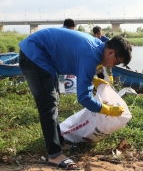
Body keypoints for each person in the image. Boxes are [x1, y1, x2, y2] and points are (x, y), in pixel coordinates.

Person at [18, 27, 132, 170]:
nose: (111, 66)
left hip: (43, 55)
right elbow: (83, 98)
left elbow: (78, 63)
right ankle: (54, 154)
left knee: (53, 101)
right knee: (48, 104)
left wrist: (92, 79)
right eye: (114, 62)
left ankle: (58, 141)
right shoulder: (91, 54)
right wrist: (107, 109)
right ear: (111, 52)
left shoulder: (96, 47)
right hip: (34, 55)